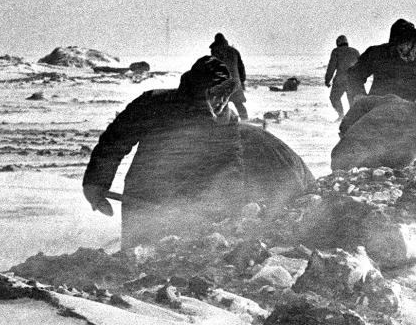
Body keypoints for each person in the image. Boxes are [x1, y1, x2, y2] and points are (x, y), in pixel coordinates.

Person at [82, 56, 313, 248]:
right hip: (144, 195)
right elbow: (114, 143)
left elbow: (229, 165)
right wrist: (96, 183)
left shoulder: (225, 121)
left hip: (190, 205)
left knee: (181, 265)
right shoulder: (154, 105)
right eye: (213, 93)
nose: (219, 100)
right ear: (196, 89)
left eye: (224, 93)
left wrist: (225, 210)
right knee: (137, 259)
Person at [331, 86, 416, 172]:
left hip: (340, 157)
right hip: (360, 170)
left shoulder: (394, 100)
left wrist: (345, 132)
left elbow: (361, 103)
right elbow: (395, 165)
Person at [347, 19, 416, 101]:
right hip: (377, 109)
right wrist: (361, 98)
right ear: (393, 44)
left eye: (410, 44)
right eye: (402, 44)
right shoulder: (377, 53)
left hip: (407, 112)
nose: (407, 49)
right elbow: (354, 75)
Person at [209, 33, 249, 120]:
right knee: (238, 103)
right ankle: (245, 120)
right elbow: (241, 68)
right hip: (235, 81)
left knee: (221, 104)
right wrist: (242, 81)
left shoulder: (215, 51)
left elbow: (213, 67)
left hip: (222, 81)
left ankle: (222, 123)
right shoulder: (234, 51)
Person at [324, 35, 361, 116]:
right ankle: (352, 118)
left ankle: (341, 115)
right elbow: (361, 66)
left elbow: (331, 67)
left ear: (338, 43)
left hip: (340, 80)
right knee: (352, 100)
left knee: (334, 98)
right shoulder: (355, 51)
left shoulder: (336, 51)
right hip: (353, 80)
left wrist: (327, 80)